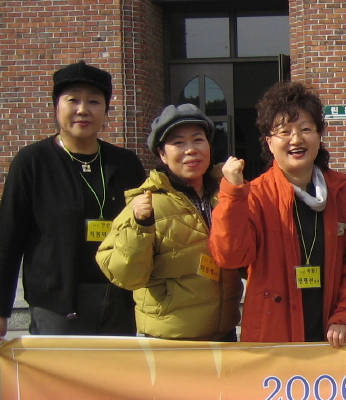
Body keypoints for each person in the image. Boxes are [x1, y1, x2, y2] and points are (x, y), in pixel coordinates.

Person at [0, 61, 146, 352]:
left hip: (118, 300)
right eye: (73, 100)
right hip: (56, 302)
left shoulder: (125, 163)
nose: (83, 109)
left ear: (106, 111)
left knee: (113, 379)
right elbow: (7, 243)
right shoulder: (32, 162)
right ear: (56, 107)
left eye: (94, 101)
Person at [209, 81, 346, 346]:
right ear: (270, 143)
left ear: (319, 135)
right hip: (272, 337)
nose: (296, 139)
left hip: (332, 334)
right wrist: (232, 193)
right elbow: (230, 256)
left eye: (306, 129)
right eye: (284, 132)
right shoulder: (255, 194)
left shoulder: (341, 190)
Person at [96, 104, 242, 341]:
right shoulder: (147, 202)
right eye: (178, 143)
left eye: (198, 139)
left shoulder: (226, 193)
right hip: (168, 341)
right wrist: (140, 226)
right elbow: (126, 276)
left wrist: (237, 192)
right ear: (162, 154)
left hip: (224, 335)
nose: (191, 149)